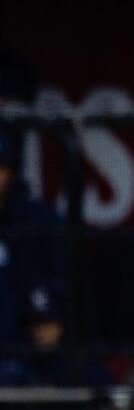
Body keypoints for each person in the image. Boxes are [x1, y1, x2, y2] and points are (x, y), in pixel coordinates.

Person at [0, 125, 63, 345]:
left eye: (0, 167)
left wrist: (50, 314)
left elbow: (61, 278)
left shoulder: (37, 219)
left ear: (11, 171)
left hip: (27, 345)